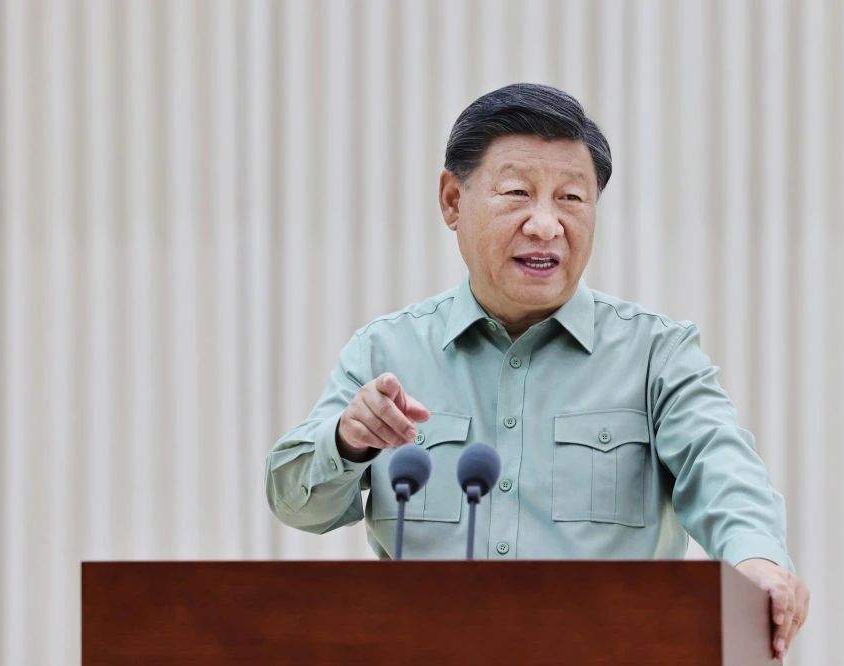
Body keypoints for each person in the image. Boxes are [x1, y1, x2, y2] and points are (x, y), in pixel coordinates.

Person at [264, 83, 809, 660]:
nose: (546, 225)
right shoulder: (387, 351)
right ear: (452, 201)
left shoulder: (657, 354)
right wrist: (347, 441)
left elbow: (721, 468)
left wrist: (757, 560)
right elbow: (298, 505)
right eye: (517, 193)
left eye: (571, 198)